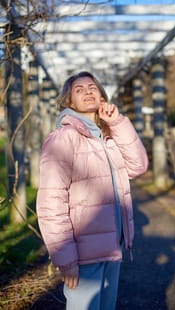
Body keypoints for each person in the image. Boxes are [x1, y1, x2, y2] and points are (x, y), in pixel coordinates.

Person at [36, 71, 148, 310]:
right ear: (69, 102)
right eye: (79, 90)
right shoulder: (63, 138)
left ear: (101, 95)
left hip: (112, 245)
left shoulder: (107, 136)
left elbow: (139, 166)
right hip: (83, 251)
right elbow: (50, 202)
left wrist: (117, 122)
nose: (87, 91)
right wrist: (65, 259)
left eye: (92, 87)